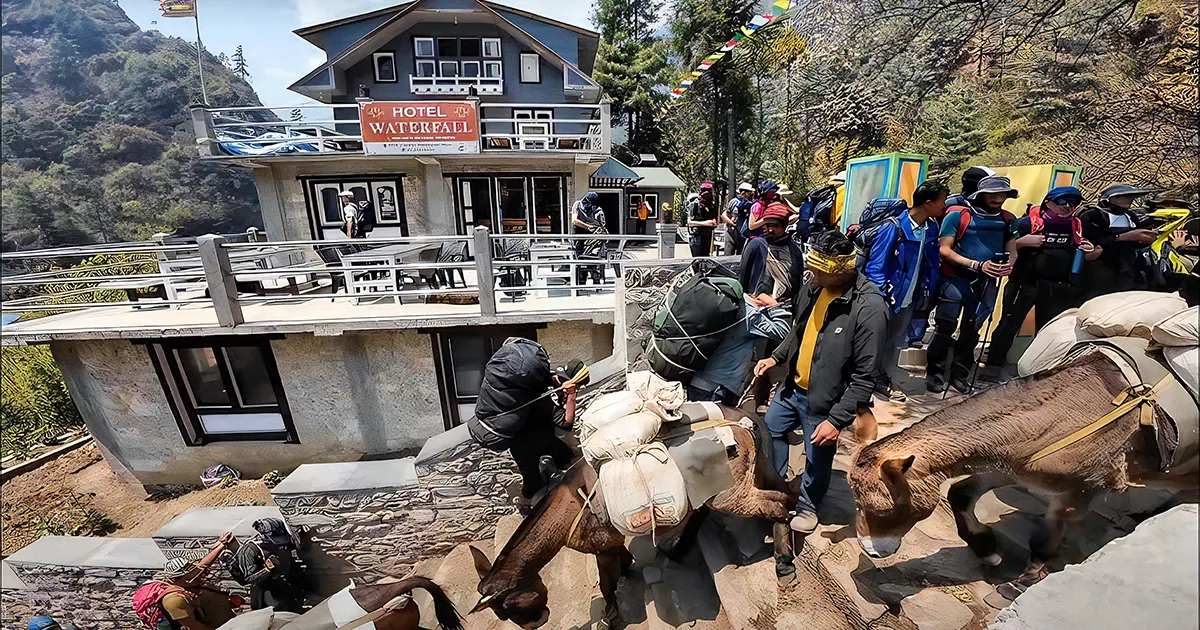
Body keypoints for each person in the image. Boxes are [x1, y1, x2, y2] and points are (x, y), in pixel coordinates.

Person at [753, 230, 887, 534]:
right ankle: (778, 484)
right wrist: (776, 357)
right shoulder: (814, 288)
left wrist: (837, 420)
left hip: (825, 403)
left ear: (840, 272)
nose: (812, 273)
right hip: (792, 389)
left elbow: (866, 377)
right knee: (771, 429)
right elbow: (798, 331)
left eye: (820, 270)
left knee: (817, 458)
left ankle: (809, 505)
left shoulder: (869, 309)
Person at [985, 186, 1099, 370]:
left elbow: (1095, 252)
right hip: (1024, 283)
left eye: (1073, 203)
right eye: (1062, 202)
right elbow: (1004, 248)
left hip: (1057, 286)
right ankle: (993, 365)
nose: (1068, 206)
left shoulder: (1077, 225)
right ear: (1048, 202)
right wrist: (1023, 242)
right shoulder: (1027, 223)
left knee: (1050, 329)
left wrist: (1090, 251)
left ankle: (1042, 368)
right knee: (1009, 324)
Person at [925, 175, 1019, 395]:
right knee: (945, 327)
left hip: (987, 282)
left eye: (1002, 193)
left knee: (971, 329)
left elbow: (1012, 249)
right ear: (980, 194)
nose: (998, 198)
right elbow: (944, 249)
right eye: (992, 193)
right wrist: (977, 265)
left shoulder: (1008, 219)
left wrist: (1008, 266)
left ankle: (960, 373)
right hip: (955, 278)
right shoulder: (957, 215)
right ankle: (935, 372)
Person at [468, 338, 588, 507]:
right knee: (568, 463)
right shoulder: (549, 397)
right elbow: (566, 423)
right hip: (538, 443)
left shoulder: (535, 380)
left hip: (519, 444)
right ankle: (542, 512)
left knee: (531, 476)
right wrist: (571, 396)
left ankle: (527, 506)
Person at [862, 181, 950, 401]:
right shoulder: (894, 227)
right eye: (942, 201)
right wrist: (880, 297)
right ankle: (869, 380)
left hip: (909, 297)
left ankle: (884, 375)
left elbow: (930, 264)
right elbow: (876, 266)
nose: (945, 206)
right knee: (874, 340)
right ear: (928, 203)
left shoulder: (931, 228)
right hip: (887, 296)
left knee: (894, 339)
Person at [134, 535, 238, 630]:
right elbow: (192, 625)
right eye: (193, 576)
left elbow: (202, 565)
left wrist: (221, 544)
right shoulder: (174, 600)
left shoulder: (177, 579)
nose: (198, 577)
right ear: (177, 579)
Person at [1079, 184, 1159, 298]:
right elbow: (1094, 239)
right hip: (1102, 266)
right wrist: (1124, 237)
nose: (1128, 200)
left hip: (1128, 264)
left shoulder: (1130, 216)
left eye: (1130, 198)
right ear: (1109, 198)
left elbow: (1136, 240)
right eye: (1123, 197)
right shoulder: (1093, 215)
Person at [227, 518, 306, 612]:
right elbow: (250, 578)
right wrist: (267, 569)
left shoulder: (281, 546)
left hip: (286, 592)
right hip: (266, 597)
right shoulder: (249, 551)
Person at [571, 191, 607, 288]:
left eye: (589, 204)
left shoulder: (595, 209)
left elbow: (601, 223)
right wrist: (588, 226)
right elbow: (574, 220)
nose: (587, 205)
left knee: (592, 258)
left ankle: (595, 281)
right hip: (579, 237)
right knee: (580, 259)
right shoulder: (577, 205)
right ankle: (581, 282)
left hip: (591, 238)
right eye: (586, 202)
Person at [687, 182, 719, 257]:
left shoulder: (712, 206)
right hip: (696, 235)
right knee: (696, 259)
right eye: (704, 190)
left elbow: (715, 223)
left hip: (707, 235)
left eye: (709, 191)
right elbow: (689, 222)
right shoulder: (695, 204)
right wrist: (706, 223)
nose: (707, 193)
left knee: (705, 259)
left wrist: (710, 223)